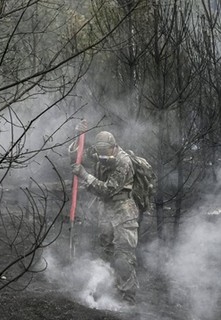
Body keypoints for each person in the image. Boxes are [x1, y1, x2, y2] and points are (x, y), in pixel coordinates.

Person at [69, 122, 139, 306]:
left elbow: (108, 189)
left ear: (114, 147)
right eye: (100, 152)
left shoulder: (123, 162)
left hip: (124, 211)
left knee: (124, 256)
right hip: (106, 211)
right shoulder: (99, 154)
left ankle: (127, 299)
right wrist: (78, 136)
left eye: (106, 152)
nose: (102, 157)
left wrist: (85, 175)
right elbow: (77, 157)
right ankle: (103, 289)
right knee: (104, 252)